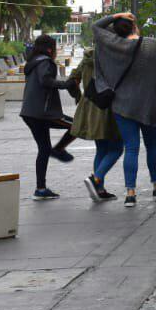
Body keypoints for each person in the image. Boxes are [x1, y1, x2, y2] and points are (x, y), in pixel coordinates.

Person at [92, 12, 156, 207]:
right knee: (152, 146)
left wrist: (116, 15)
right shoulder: (153, 45)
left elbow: (96, 27)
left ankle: (130, 194)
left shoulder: (113, 46)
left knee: (132, 148)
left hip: (123, 106)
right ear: (135, 26)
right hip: (151, 105)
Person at [19, 35, 75, 200]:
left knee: (43, 149)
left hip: (29, 112)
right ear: (50, 49)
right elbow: (45, 80)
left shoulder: (33, 62)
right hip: (43, 113)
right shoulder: (46, 62)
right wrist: (66, 84)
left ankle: (41, 189)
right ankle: (58, 150)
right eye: (55, 47)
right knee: (78, 125)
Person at [67, 52, 121, 202]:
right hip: (107, 107)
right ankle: (96, 179)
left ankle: (99, 189)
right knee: (117, 147)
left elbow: (72, 80)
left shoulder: (87, 58)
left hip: (90, 105)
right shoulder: (112, 57)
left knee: (102, 148)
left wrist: (79, 97)